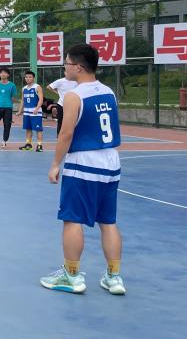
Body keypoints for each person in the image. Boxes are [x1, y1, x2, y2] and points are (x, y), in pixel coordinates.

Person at [41, 43, 125, 296]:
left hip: (84, 162)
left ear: (78, 67)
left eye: (66, 63)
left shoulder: (74, 96)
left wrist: (55, 164)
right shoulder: (108, 92)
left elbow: (66, 133)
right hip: (111, 161)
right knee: (108, 221)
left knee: (72, 219)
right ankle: (114, 277)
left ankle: (72, 276)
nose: (64, 67)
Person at [18, 70, 45, 152]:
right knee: (28, 128)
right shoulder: (24, 88)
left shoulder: (37, 87)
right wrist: (20, 110)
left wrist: (37, 108)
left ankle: (39, 145)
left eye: (30, 77)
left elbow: (41, 99)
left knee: (38, 129)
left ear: (33, 78)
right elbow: (23, 100)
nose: (28, 78)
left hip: (35, 111)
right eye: (26, 77)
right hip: (26, 112)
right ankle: (28, 144)